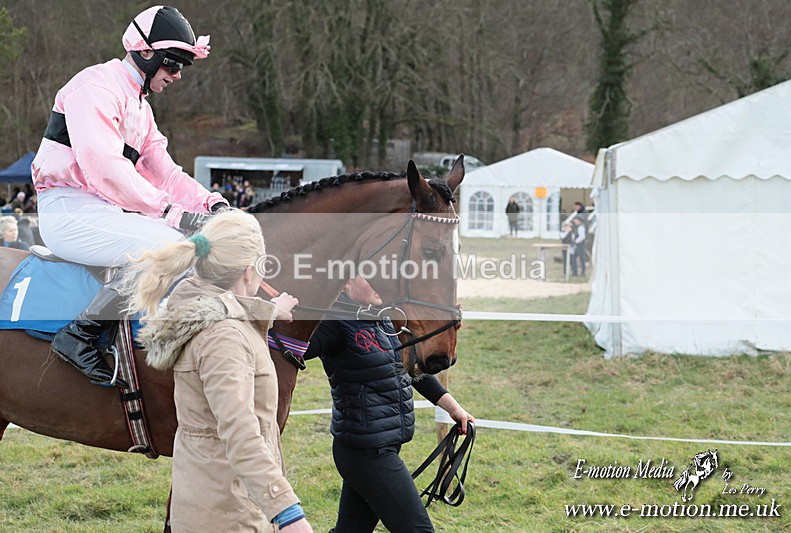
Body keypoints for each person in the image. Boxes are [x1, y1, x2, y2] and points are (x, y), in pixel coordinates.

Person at [30, 6, 229, 387]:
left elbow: (167, 173)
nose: (177, 75)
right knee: (170, 245)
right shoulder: (96, 86)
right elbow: (104, 167)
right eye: (173, 64)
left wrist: (211, 204)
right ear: (145, 52)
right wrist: (173, 214)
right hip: (66, 206)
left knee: (186, 241)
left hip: (101, 210)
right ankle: (81, 334)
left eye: (183, 66)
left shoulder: (141, 109)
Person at [127, 209, 312, 532]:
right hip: (228, 514)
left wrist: (270, 310)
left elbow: (231, 309)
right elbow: (240, 432)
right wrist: (286, 511)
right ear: (248, 271)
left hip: (216, 501)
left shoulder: (212, 316)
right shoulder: (224, 337)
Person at [305, 276, 475, 533]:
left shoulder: (386, 319)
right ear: (348, 283)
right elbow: (292, 347)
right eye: (371, 280)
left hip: (382, 445)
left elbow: (411, 370)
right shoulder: (333, 324)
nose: (382, 285)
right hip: (365, 451)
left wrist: (453, 408)